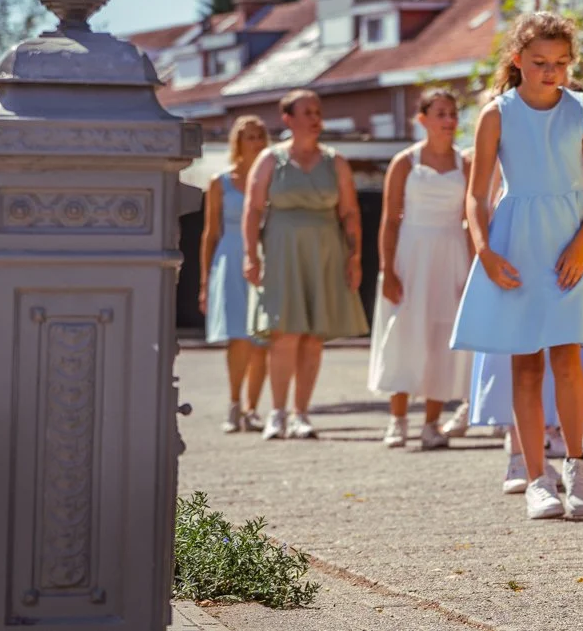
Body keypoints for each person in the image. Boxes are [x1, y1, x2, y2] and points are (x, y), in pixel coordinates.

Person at [449, 12, 583, 521]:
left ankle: (576, 466)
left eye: (561, 63)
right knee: (525, 364)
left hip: (571, 240)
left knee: (568, 358)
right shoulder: (496, 114)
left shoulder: (582, 111)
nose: (552, 72)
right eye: (541, 62)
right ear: (518, 60)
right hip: (515, 242)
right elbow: (476, 197)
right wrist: (485, 251)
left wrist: (582, 244)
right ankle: (536, 477)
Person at [243, 90, 372, 440]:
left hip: (326, 251)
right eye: (307, 112)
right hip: (282, 251)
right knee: (284, 333)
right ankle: (277, 413)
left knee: (314, 336)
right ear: (288, 119)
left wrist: (354, 257)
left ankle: (302, 414)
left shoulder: (336, 162)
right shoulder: (270, 160)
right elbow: (253, 209)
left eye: (318, 111)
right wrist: (250, 254)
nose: (316, 118)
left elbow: (349, 212)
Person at [368, 89, 473, 449]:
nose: (448, 121)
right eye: (441, 114)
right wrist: (388, 269)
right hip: (411, 255)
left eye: (453, 114)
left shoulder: (466, 164)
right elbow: (389, 219)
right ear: (423, 119)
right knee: (405, 333)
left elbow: (473, 220)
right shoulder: (404, 162)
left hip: (452, 254)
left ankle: (432, 423)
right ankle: (397, 420)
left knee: (443, 339)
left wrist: (475, 268)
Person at [200, 115, 271, 433]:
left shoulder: (274, 180)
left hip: (265, 259)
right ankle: (233, 404)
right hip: (229, 259)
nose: (256, 141)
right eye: (250, 136)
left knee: (261, 339)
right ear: (237, 142)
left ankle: (253, 409)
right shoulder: (220, 181)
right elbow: (209, 233)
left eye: (260, 136)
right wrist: (204, 281)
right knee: (238, 338)